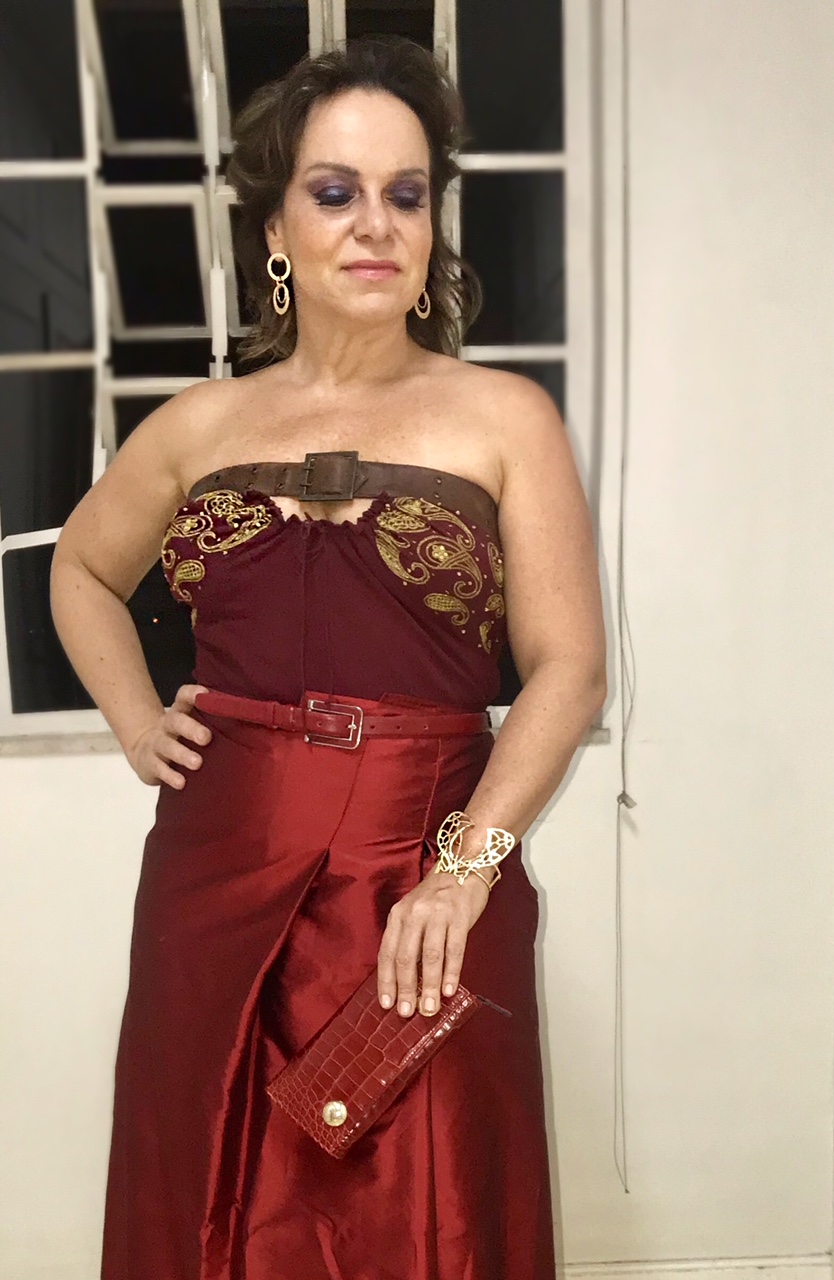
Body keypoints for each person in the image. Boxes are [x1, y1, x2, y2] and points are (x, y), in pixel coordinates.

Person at [50, 35, 606, 1280]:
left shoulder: (506, 417)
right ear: (276, 229)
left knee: (432, 1206)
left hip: (424, 879)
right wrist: (138, 721)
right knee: (205, 1188)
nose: (375, 224)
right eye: (336, 190)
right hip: (214, 874)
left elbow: (569, 667)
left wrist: (464, 872)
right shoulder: (197, 424)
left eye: (406, 193)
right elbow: (78, 569)